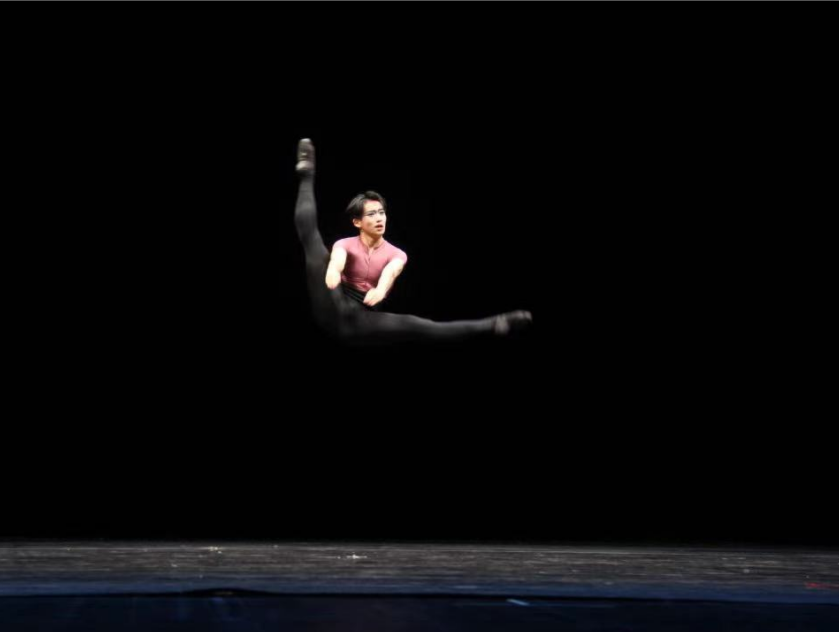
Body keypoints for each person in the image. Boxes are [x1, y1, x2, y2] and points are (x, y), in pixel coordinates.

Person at [293, 138, 531, 345]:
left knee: (422, 325)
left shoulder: (397, 253)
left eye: (382, 213)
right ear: (357, 222)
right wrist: (333, 272)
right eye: (372, 214)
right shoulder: (345, 244)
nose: (379, 218)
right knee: (314, 246)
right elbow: (337, 260)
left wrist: (380, 290)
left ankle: (494, 323)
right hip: (331, 302)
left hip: (361, 319)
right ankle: (307, 174)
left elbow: (391, 272)